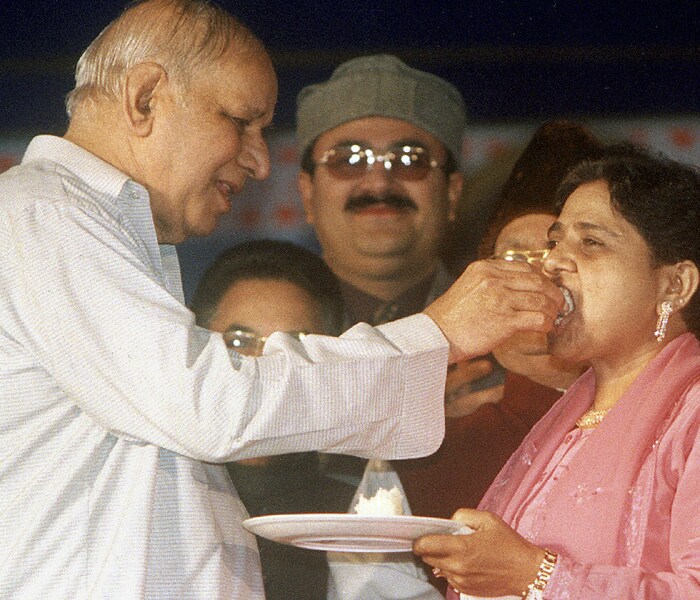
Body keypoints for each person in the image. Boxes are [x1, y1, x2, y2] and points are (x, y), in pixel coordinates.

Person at [0, 1, 564, 598]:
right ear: (145, 99)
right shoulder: (43, 215)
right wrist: (437, 335)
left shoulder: (92, 228)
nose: (259, 159)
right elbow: (209, 408)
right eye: (242, 122)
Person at [327, 120, 599, 600]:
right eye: (514, 260)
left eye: (560, 261)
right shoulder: (425, 452)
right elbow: (371, 588)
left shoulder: (676, 423)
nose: (536, 292)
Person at [413, 144, 700, 599]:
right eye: (555, 241)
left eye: (590, 242)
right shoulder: (573, 413)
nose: (551, 263)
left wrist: (536, 576)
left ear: (674, 284)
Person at [296, 53, 504, 490]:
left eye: (410, 159)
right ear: (308, 195)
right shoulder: (266, 325)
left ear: (451, 194)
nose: (378, 183)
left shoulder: (511, 335)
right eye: (348, 160)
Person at [190, 238, 351, 600]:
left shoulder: (356, 514)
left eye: (293, 344)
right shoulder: (159, 491)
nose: (260, 367)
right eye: (240, 342)